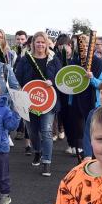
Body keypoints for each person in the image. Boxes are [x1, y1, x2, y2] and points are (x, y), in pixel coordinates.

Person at [14, 31, 62, 176]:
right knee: (33, 131)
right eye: (38, 42)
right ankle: (37, 151)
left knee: (46, 131)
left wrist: (52, 81)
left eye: (43, 42)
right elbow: (17, 78)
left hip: (48, 102)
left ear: (47, 43)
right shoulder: (25, 59)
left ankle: (46, 162)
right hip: (29, 102)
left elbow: (60, 79)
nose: (40, 44)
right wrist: (20, 88)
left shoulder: (54, 59)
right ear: (33, 43)